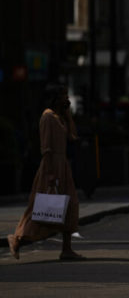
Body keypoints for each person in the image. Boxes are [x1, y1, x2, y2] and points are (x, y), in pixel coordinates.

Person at [7, 85, 83, 261]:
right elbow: (46, 147)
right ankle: (17, 238)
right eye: (63, 95)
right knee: (39, 207)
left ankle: (67, 248)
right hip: (51, 166)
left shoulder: (60, 117)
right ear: (55, 98)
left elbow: (73, 136)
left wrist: (69, 116)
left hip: (63, 165)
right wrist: (49, 174)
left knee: (70, 205)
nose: (66, 98)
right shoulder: (47, 117)